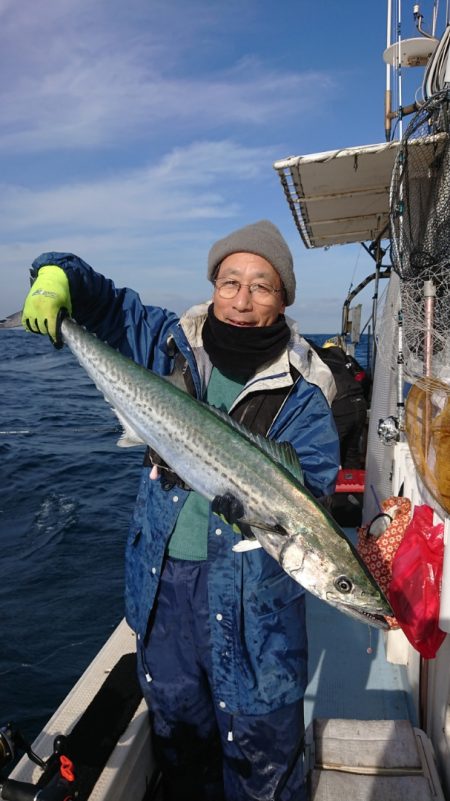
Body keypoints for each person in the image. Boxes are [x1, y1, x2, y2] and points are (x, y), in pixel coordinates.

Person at [21, 220, 340, 801]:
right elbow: (104, 300)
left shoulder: (305, 394)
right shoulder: (169, 342)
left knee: (262, 760)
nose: (242, 301)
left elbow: (312, 488)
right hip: (164, 587)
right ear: (214, 285)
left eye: (262, 287)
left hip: (251, 609)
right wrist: (55, 275)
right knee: (179, 737)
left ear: (283, 298)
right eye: (230, 282)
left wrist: (255, 503)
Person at [309, 336, 370, 469]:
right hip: (360, 405)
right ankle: (351, 486)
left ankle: (331, 486)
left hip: (341, 406)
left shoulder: (318, 361)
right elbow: (363, 379)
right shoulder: (346, 360)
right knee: (351, 452)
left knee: (332, 451)